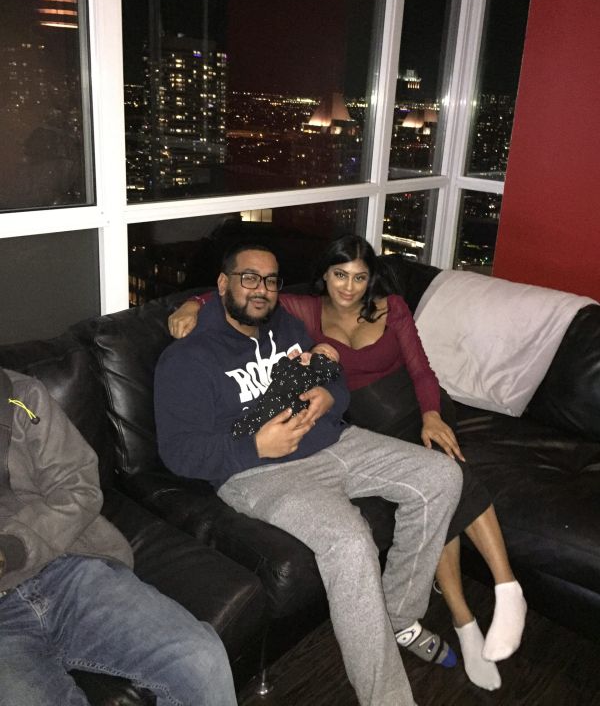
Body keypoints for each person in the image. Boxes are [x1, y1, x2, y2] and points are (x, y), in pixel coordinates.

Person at [169, 235, 528, 692]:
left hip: (335, 439)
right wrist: (256, 446)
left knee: (443, 474)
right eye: (249, 279)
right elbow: (179, 452)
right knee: (352, 541)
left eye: (271, 281)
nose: (261, 289)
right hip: (257, 471)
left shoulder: (287, 324)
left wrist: (327, 395)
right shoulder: (187, 357)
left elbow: (336, 379)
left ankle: (399, 613)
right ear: (223, 284)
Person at [0, 367, 237, 706]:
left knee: (202, 660)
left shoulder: (22, 395)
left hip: (68, 567)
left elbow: (78, 487)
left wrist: (12, 547)